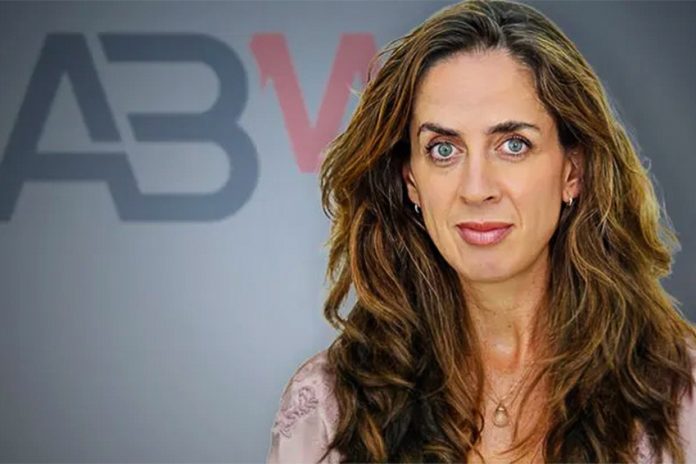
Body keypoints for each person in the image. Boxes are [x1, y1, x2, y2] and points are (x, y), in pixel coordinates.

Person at [266, 0, 696, 462]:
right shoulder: (329, 409)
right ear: (410, 180)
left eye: (513, 144)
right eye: (444, 149)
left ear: (573, 170)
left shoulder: (681, 395)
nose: (476, 189)